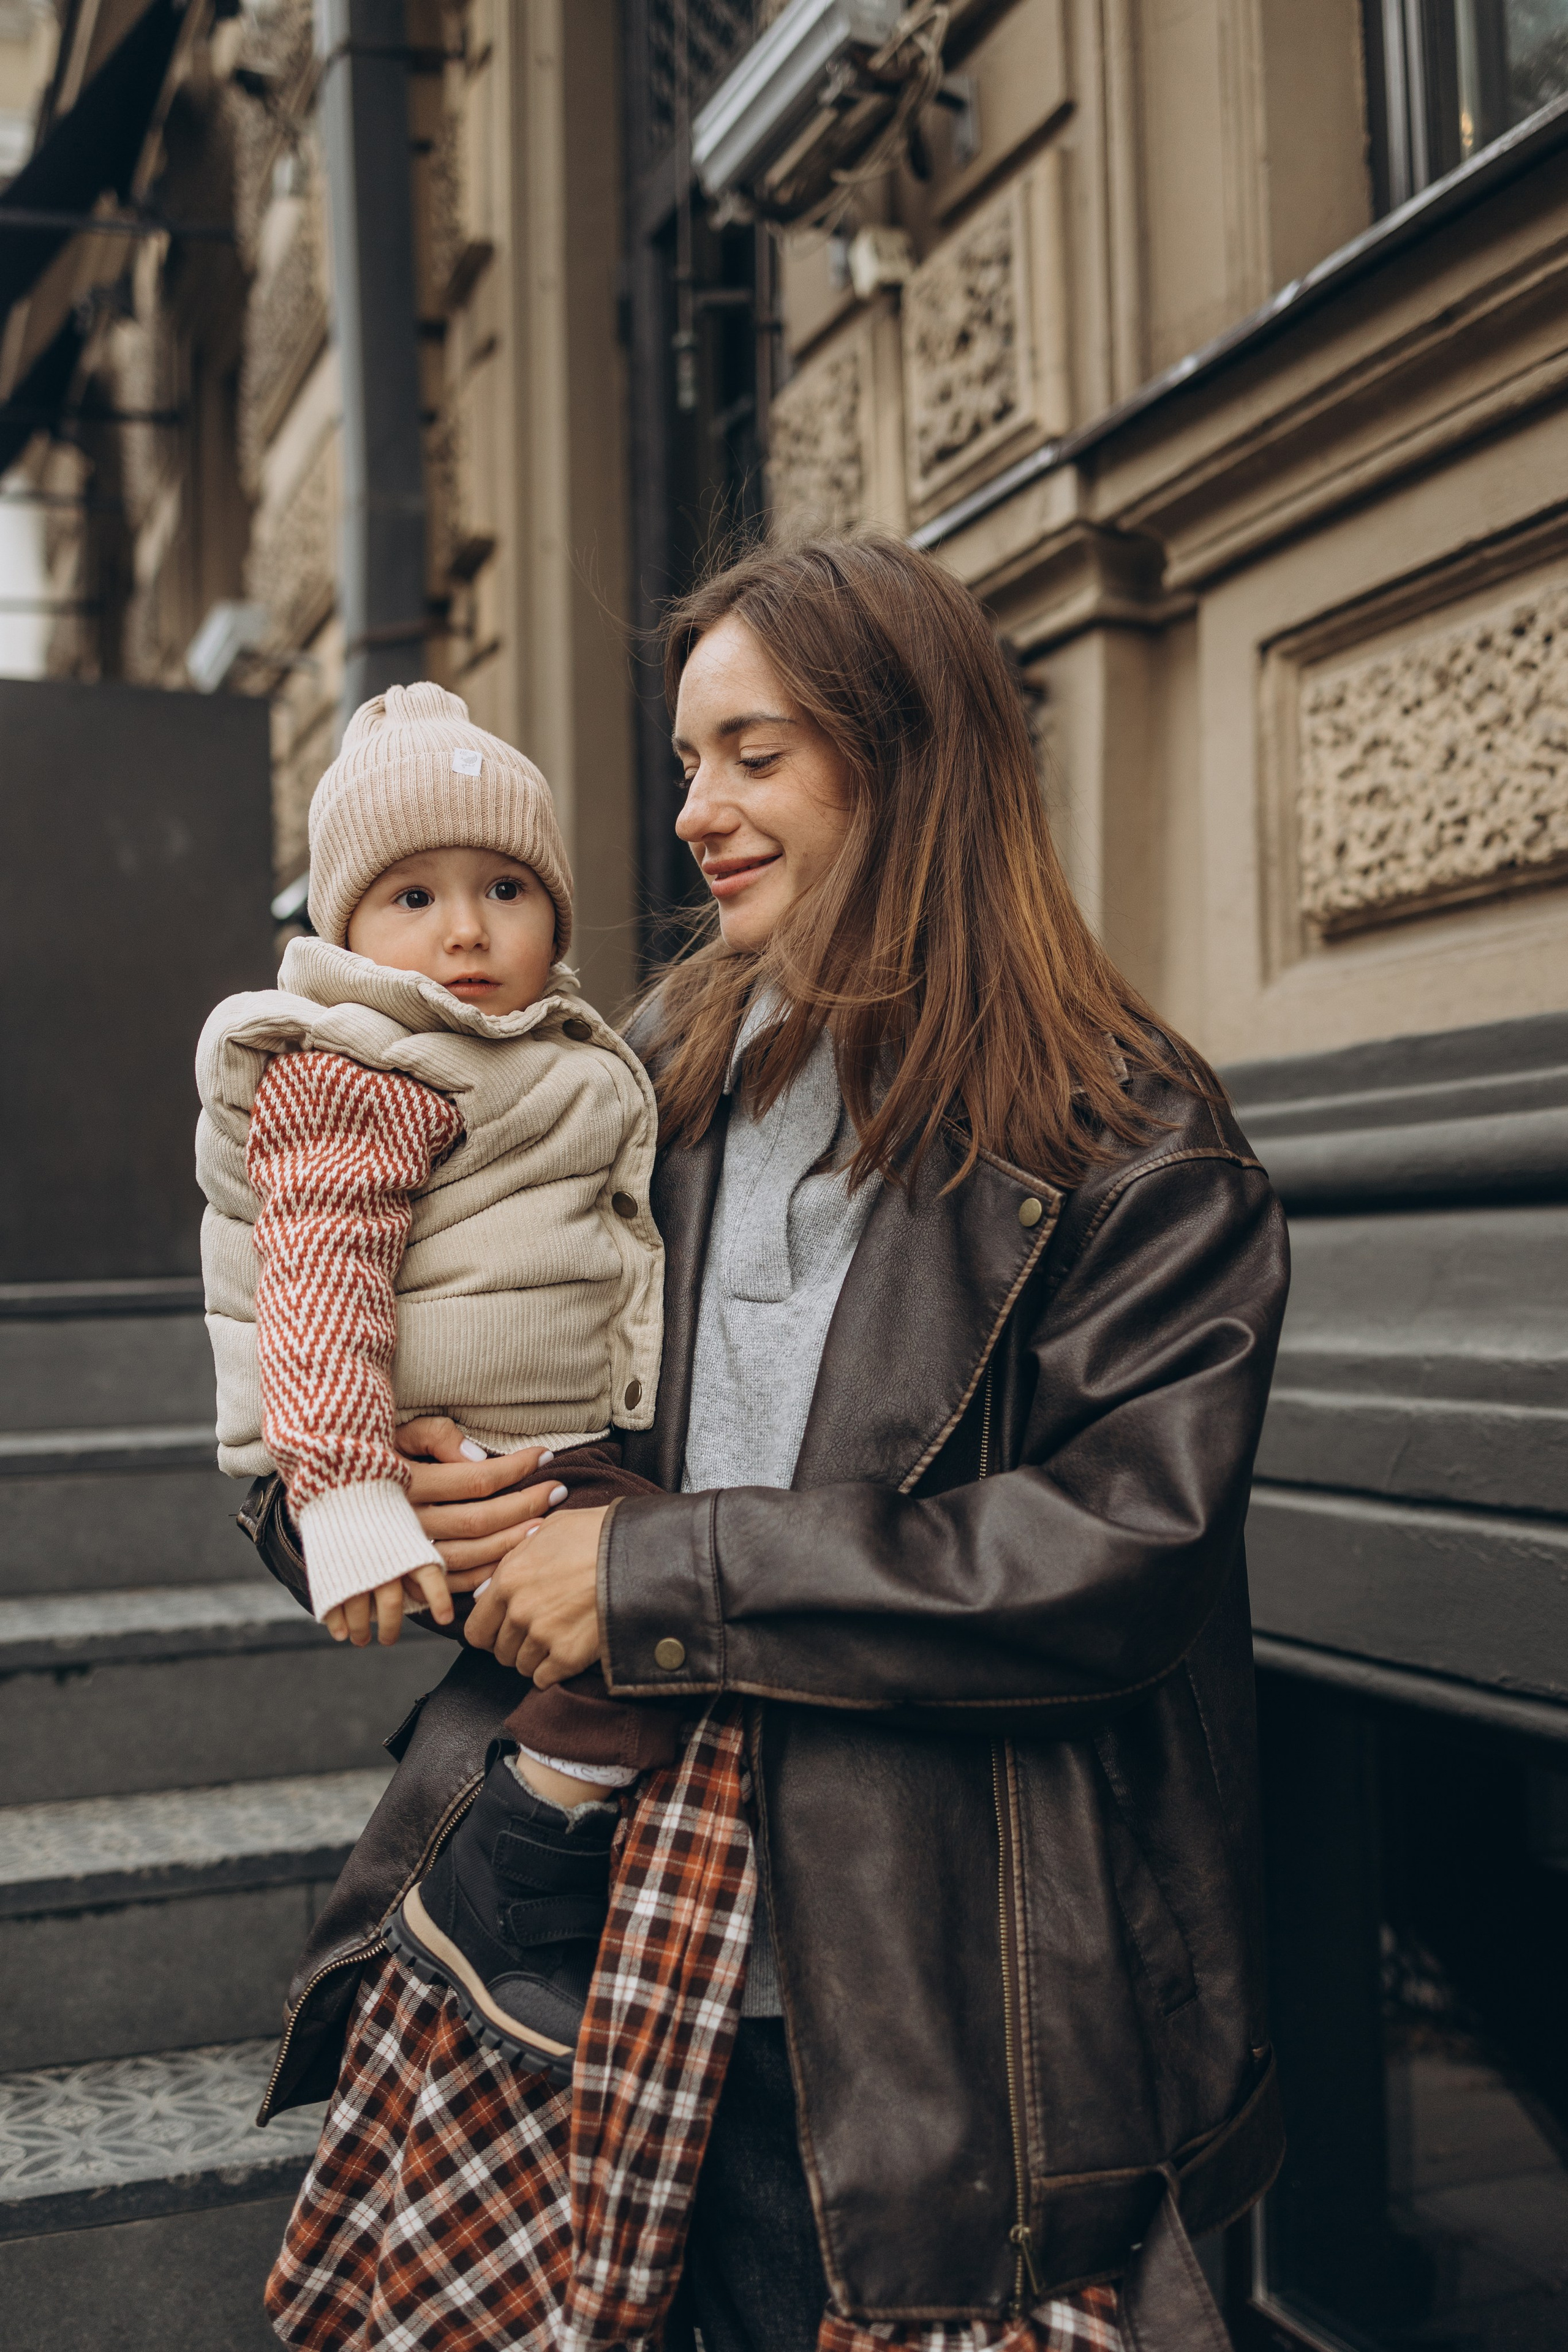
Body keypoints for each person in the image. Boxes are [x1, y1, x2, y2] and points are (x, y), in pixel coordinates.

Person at [254, 534, 1289, 2352]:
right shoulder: (632, 1071)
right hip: (591, 1936)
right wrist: (374, 1496)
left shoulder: (1131, 1139)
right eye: (682, 763)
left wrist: (653, 1571)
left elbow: (1119, 1562)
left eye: (754, 754)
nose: (693, 814)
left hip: (921, 2019)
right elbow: (359, 1329)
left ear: (907, 764)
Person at [195, 682, 685, 2079]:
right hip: (468, 1457)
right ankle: (510, 1875)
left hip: (539, 1443)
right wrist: (347, 1502)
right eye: (409, 894)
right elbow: (320, 1294)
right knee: (653, 1626)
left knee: (664, 1614)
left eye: (506, 886)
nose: (465, 929)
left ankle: (525, 1844)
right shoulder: (363, 1065)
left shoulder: (538, 1052)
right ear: (342, 929)